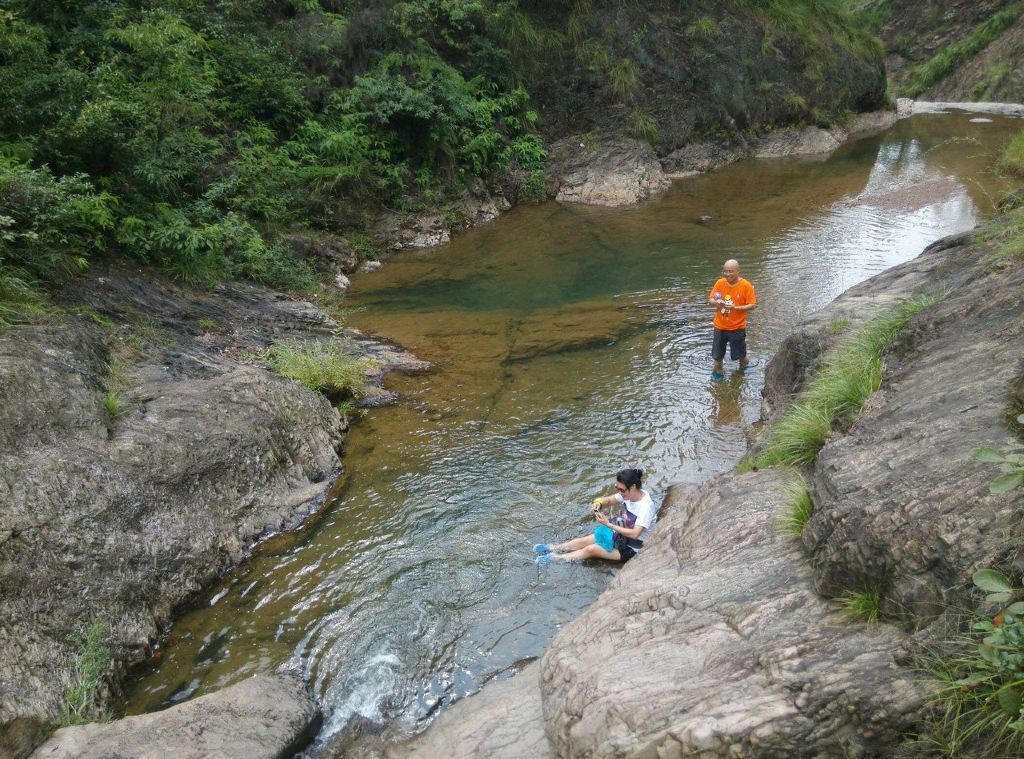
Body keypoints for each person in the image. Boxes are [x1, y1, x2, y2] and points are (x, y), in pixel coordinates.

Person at [534, 468, 657, 565]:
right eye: (617, 488)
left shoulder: (646, 506)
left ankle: (555, 558)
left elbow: (635, 533)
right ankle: (553, 548)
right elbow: (608, 500)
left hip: (633, 547)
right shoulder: (628, 495)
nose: (619, 492)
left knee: (591, 549)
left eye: (622, 489)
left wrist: (608, 524)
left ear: (633, 487)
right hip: (620, 534)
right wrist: (598, 503)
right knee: (585, 540)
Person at [708, 259, 756, 380]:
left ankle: (743, 370)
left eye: (731, 271)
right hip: (720, 326)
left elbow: (752, 305)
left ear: (738, 271)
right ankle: (718, 374)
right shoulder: (720, 283)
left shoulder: (746, 285)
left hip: (737, 327)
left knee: (741, 355)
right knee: (717, 356)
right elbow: (711, 299)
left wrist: (735, 308)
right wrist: (717, 303)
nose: (728, 274)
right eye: (725, 271)